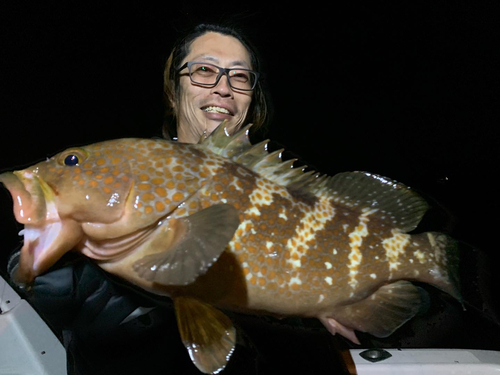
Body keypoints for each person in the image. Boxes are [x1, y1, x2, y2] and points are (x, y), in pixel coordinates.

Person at [4, 23, 348, 375]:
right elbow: (43, 300)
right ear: (174, 89)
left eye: (240, 77)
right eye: (204, 70)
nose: (224, 88)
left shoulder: (289, 192)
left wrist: (330, 302)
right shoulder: (124, 179)